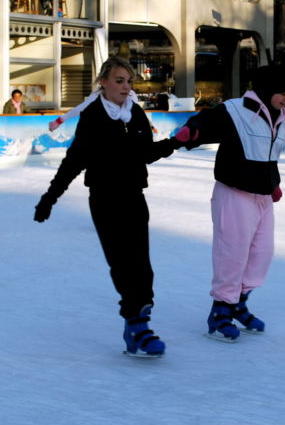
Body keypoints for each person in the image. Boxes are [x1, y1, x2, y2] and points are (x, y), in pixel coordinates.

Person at [33, 56, 181, 357]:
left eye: (129, 81)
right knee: (123, 263)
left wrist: (176, 142)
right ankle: (137, 325)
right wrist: (50, 198)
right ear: (103, 82)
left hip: (135, 196)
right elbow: (74, 161)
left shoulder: (135, 113)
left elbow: (146, 154)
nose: (126, 87)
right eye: (119, 81)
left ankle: (138, 322)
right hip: (105, 198)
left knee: (142, 264)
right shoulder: (93, 117)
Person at [174, 65, 285, 342]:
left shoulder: (279, 117)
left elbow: (268, 155)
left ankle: (238, 303)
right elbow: (205, 123)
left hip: (262, 197)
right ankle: (219, 313)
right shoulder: (236, 110)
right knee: (233, 253)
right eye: (282, 92)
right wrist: (190, 133)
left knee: (261, 253)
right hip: (234, 192)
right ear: (266, 90)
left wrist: (272, 184)